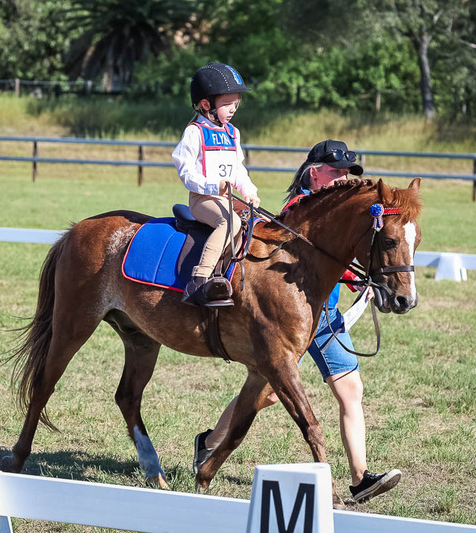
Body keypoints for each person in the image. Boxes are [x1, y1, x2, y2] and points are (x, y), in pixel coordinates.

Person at [192, 139, 401, 503]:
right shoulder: (298, 208)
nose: (342, 178)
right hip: (291, 317)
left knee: (350, 389)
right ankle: (209, 444)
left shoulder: (342, 209)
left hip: (326, 314)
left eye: (347, 173)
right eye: (335, 171)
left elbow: (345, 252)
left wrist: (363, 281)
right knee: (266, 393)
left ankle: (360, 478)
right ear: (314, 171)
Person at [172, 62, 261, 307]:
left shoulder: (233, 132)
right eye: (227, 104)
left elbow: (239, 169)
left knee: (260, 222)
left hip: (230, 199)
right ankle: (199, 280)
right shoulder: (194, 132)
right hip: (203, 200)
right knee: (229, 222)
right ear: (206, 105)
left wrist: (250, 193)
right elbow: (185, 171)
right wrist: (214, 187)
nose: (233, 109)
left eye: (236, 104)